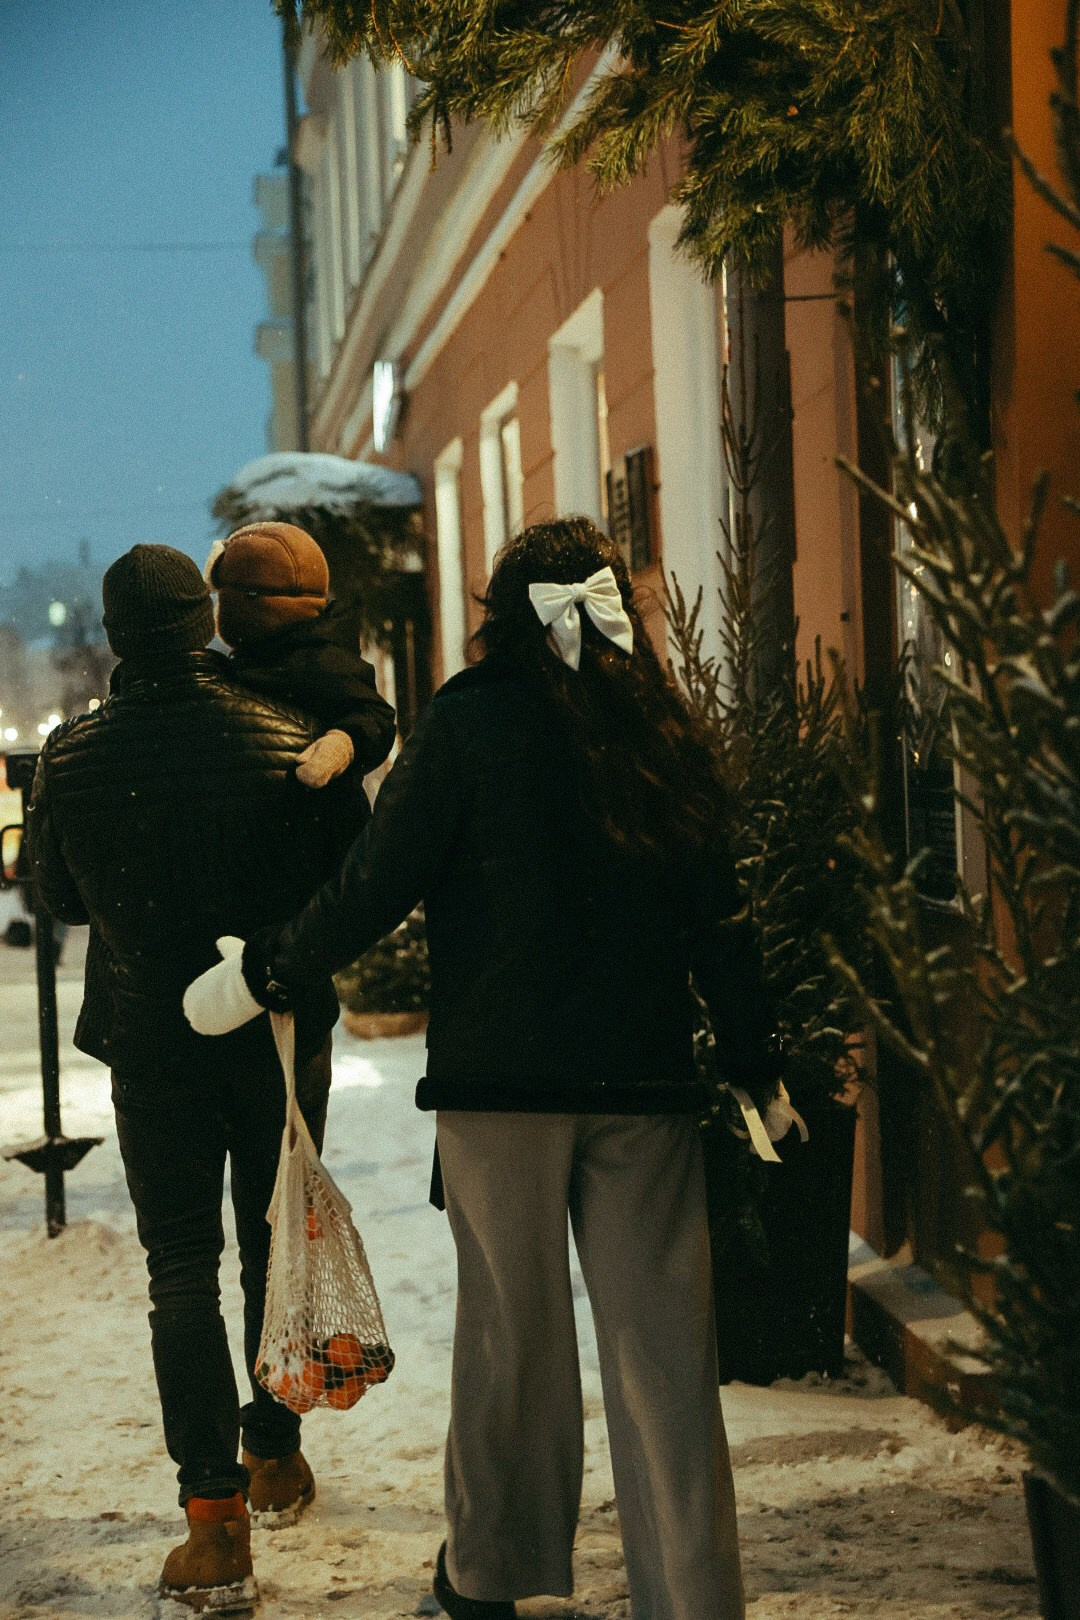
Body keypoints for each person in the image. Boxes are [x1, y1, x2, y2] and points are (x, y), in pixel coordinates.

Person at [185, 518, 783, 1620]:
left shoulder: (465, 725)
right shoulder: (657, 725)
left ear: (502, 613)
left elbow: (375, 882)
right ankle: (694, 1595)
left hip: (499, 1089)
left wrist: (271, 965)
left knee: (512, 1344)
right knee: (665, 1359)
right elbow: (718, 911)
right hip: (641, 1085)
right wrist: (754, 1056)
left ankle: (490, 1577)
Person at [27, 544, 377, 1614]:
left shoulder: (73, 755)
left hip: (152, 1042)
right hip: (272, 1032)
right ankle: (274, 1451)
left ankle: (213, 1518)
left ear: (118, 634)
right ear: (206, 620)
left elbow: (54, 899)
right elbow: (350, 873)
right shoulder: (287, 736)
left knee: (178, 1264)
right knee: (273, 1246)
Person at [204, 520, 397, 788]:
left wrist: (342, 745)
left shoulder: (320, 659)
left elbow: (373, 717)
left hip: (320, 815)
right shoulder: (263, 658)